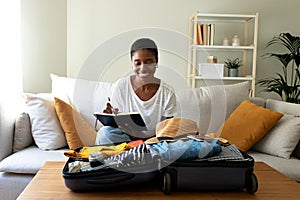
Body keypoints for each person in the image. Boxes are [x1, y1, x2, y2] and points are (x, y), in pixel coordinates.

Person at [95, 38, 177, 145]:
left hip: (153, 143)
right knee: (104, 133)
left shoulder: (167, 92)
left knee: (176, 145)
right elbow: (117, 123)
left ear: (156, 61)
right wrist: (109, 119)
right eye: (138, 63)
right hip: (126, 140)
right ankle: (135, 155)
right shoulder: (121, 86)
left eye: (148, 62)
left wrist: (141, 137)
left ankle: (136, 155)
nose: (143, 68)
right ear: (132, 64)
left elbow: (165, 132)